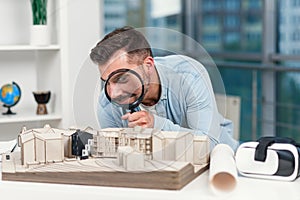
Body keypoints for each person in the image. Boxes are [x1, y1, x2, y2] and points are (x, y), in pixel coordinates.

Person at [90, 26, 238, 151]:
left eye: (122, 78)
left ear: (148, 65)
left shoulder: (189, 75)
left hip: (221, 165)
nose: (114, 93)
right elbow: (115, 157)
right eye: (107, 82)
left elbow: (209, 145)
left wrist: (157, 126)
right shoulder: (106, 103)